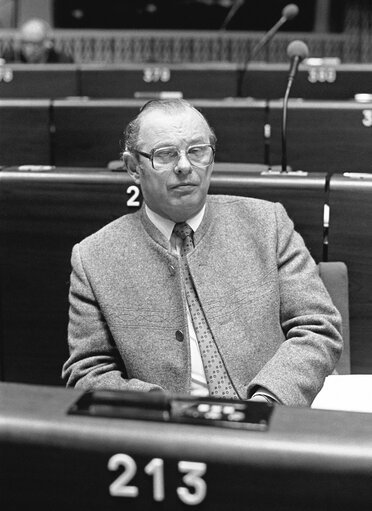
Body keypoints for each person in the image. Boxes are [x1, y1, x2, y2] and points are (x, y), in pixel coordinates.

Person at [62, 98, 342, 406]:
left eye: (197, 151)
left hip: (272, 424)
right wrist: (166, 413)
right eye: (165, 154)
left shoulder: (267, 223)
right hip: (164, 438)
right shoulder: (94, 257)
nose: (184, 166)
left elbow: (317, 327)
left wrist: (268, 402)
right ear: (133, 167)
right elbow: (88, 371)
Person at [1, 18, 74, 63]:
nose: (29, 49)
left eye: (35, 44)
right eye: (25, 43)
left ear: (47, 44)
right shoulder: (10, 59)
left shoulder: (61, 61)